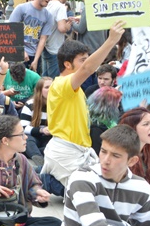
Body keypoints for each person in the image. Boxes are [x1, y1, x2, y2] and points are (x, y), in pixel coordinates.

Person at [42, 22, 125, 186]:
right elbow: (87, 69)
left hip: (79, 151)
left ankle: (47, 180)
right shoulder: (61, 84)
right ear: (67, 64)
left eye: (86, 59)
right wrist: (111, 41)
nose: (88, 64)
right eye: (82, 60)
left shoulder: (77, 89)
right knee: (89, 194)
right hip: (67, 152)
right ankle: (45, 180)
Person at [118, 108, 150, 222]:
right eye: (146, 124)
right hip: (133, 218)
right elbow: (132, 194)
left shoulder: (148, 149)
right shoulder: (122, 156)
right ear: (132, 129)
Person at [9, 0, 56, 72]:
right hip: (16, 53)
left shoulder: (48, 16)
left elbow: (43, 39)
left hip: (34, 55)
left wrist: (36, 60)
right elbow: (11, 31)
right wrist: (21, 50)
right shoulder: (21, 8)